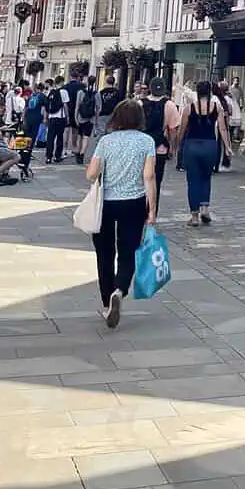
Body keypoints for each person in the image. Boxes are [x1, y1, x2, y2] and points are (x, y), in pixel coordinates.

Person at [84, 100, 157, 329]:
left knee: (104, 254)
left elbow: (91, 173)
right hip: (134, 203)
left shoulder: (106, 141)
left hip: (105, 203)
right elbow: (149, 176)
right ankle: (120, 289)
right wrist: (152, 209)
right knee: (128, 252)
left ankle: (107, 303)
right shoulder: (147, 141)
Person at [178, 81, 232, 228]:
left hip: (192, 146)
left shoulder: (189, 108)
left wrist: (176, 145)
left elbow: (182, 129)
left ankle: (194, 216)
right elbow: (223, 129)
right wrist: (227, 147)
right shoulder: (216, 107)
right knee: (206, 178)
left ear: (197, 92)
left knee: (193, 180)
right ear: (209, 92)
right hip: (210, 146)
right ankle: (205, 209)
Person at [141, 77, 180, 212]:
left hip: (142, 148)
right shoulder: (169, 105)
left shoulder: (140, 103)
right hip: (160, 148)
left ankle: (140, 210)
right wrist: (172, 147)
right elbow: (173, 129)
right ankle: (152, 212)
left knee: (140, 181)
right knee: (155, 181)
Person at [73, 76, 101, 165]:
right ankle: (82, 154)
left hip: (81, 118)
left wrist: (76, 118)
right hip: (91, 119)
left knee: (79, 137)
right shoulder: (96, 93)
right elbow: (98, 108)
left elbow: (77, 106)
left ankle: (78, 153)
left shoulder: (80, 92)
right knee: (86, 137)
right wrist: (96, 121)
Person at [44, 76, 70, 164]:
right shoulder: (64, 92)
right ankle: (57, 156)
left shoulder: (50, 92)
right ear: (62, 82)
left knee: (50, 138)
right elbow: (65, 105)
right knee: (59, 138)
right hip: (60, 117)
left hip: (51, 117)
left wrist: (45, 117)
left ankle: (48, 157)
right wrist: (67, 117)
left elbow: (46, 106)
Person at [63, 71, 83, 157]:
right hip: (77, 111)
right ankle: (73, 148)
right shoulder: (81, 86)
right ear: (77, 77)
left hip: (67, 110)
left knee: (66, 130)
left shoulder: (65, 87)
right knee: (75, 130)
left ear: (70, 77)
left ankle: (64, 148)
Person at [23, 82, 47, 152]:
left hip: (28, 116)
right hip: (37, 117)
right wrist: (45, 118)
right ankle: (29, 148)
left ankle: (25, 147)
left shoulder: (31, 96)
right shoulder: (43, 97)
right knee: (34, 133)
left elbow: (26, 108)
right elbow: (44, 109)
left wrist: (23, 117)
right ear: (43, 89)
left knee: (27, 132)